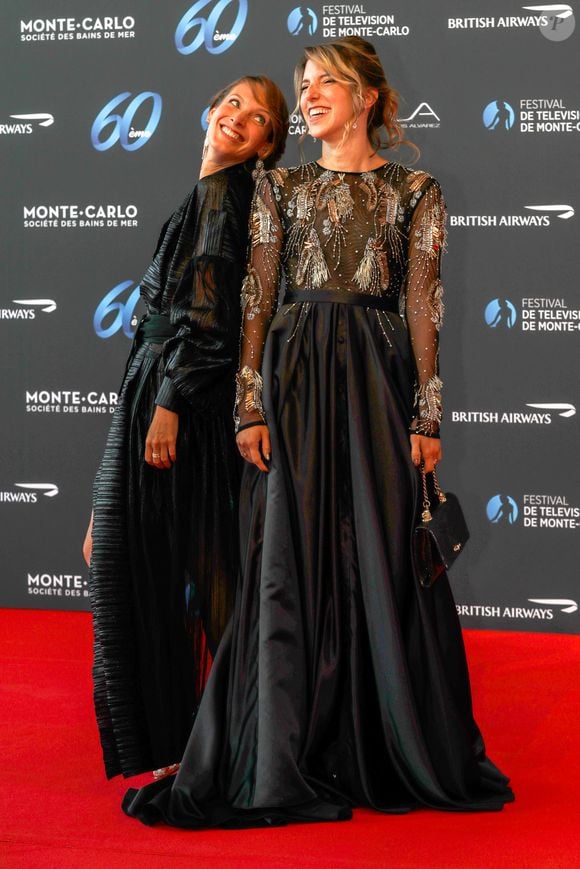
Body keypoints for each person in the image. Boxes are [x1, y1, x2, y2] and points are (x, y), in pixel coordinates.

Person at [123, 37, 514, 825]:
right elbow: (258, 301)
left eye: (326, 82)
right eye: (303, 84)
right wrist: (249, 403)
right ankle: (280, 751)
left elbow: (424, 306)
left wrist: (428, 413)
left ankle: (388, 740)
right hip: (294, 378)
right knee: (283, 562)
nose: (309, 94)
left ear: (368, 96)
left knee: (381, 551)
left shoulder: (417, 190)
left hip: (377, 380)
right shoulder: (281, 186)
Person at [83, 76, 289, 780]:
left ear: (267, 145)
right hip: (158, 392)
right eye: (232, 102)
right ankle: (228, 740)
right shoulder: (205, 196)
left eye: (257, 116)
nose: (238, 117)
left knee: (205, 570)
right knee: (193, 566)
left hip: (181, 403)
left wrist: (169, 400)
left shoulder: (225, 200)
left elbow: (211, 324)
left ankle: (235, 745)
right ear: (208, 110)